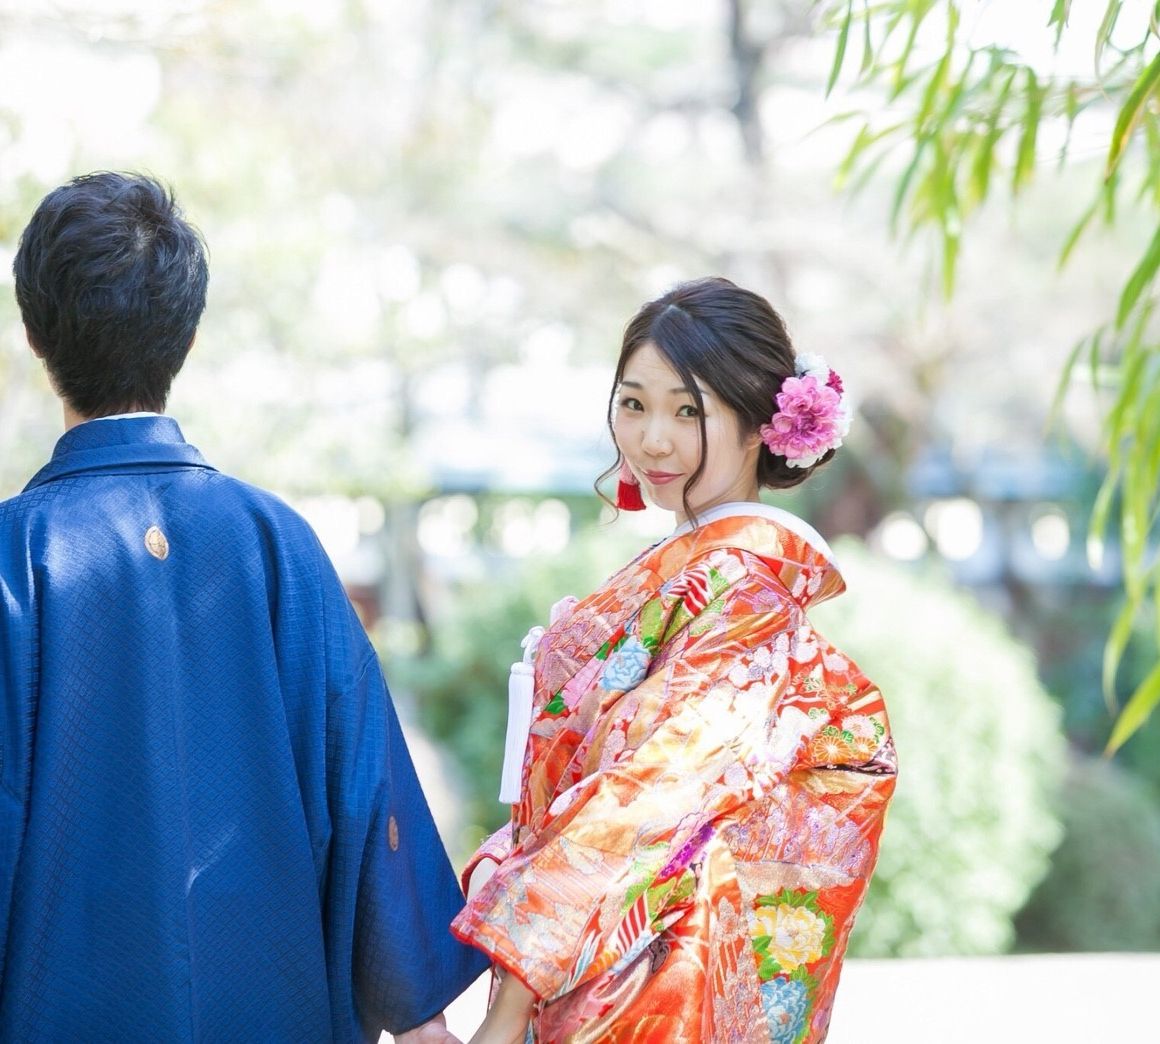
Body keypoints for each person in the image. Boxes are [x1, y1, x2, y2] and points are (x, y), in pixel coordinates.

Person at [0, 172, 487, 1040]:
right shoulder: (279, 544)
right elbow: (366, 789)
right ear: (186, 335)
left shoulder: (16, 555)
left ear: (34, 332)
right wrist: (423, 1020)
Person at [452, 277, 897, 1043]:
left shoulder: (743, 587)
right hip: (600, 957)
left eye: (688, 411)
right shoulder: (698, 569)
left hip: (650, 982)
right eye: (634, 404)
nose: (652, 438)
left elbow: (652, 793)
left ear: (761, 424)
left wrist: (509, 1008)